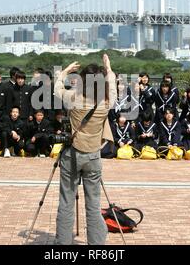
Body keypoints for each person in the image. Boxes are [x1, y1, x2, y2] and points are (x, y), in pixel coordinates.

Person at [54, 54, 117, 245]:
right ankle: (96, 245)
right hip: (93, 156)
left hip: (72, 154)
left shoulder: (73, 98)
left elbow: (57, 90)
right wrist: (108, 67)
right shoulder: (106, 102)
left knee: (66, 201)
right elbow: (112, 84)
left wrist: (64, 72)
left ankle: (63, 245)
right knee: (93, 204)